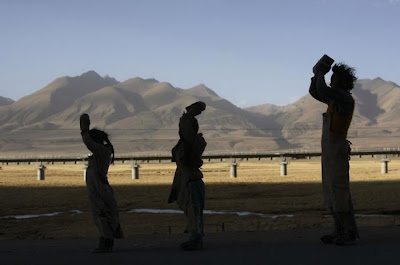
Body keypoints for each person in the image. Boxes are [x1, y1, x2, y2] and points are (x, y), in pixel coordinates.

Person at [309, 59, 360, 246]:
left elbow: (321, 89)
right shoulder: (335, 99)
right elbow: (315, 91)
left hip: (336, 150)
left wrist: (320, 73)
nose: (331, 82)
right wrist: (316, 75)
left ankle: (347, 231)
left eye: (334, 79)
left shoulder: (344, 99)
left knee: (339, 191)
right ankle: (340, 230)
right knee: (332, 191)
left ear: (342, 82)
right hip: (330, 151)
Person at [80, 113, 123, 253]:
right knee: (102, 213)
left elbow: (88, 142)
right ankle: (106, 239)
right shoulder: (101, 152)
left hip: (99, 188)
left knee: (101, 213)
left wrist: (84, 129)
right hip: (98, 187)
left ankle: (106, 242)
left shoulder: (101, 152)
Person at [168, 101, 207, 251]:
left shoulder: (192, 143)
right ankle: (195, 237)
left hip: (191, 181)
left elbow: (187, 133)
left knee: (193, 210)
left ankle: (196, 239)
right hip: (189, 181)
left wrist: (189, 116)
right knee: (192, 211)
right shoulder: (188, 143)